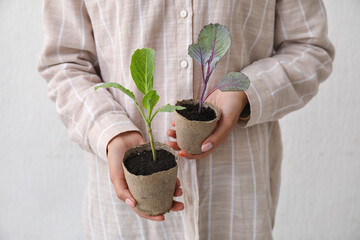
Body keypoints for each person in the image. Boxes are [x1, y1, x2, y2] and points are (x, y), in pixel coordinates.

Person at [38, 0, 334, 239]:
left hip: (238, 207)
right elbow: (65, 62)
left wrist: (244, 91)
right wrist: (111, 131)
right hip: (124, 223)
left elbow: (309, 49)